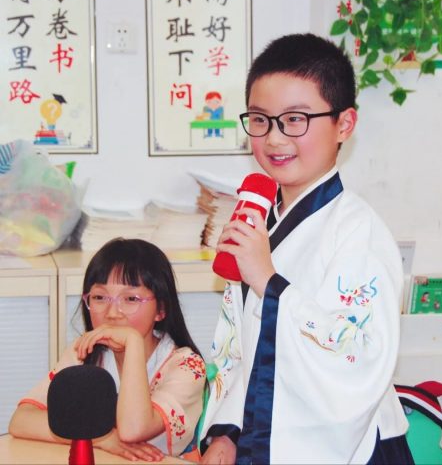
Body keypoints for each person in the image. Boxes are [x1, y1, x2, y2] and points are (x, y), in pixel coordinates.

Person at [199, 33, 413, 464]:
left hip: (351, 450)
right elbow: (240, 350)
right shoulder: (262, 222)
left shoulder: (360, 233)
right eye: (260, 119)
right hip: (261, 439)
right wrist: (227, 430)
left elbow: (359, 360)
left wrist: (269, 282)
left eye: (295, 119)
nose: (275, 139)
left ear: (344, 124)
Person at [9, 238, 206, 462]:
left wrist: (132, 342)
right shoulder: (83, 352)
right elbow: (21, 420)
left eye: (131, 298)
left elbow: (133, 430)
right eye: (99, 297)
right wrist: (101, 438)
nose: (112, 313)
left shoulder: (187, 366)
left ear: (161, 309)